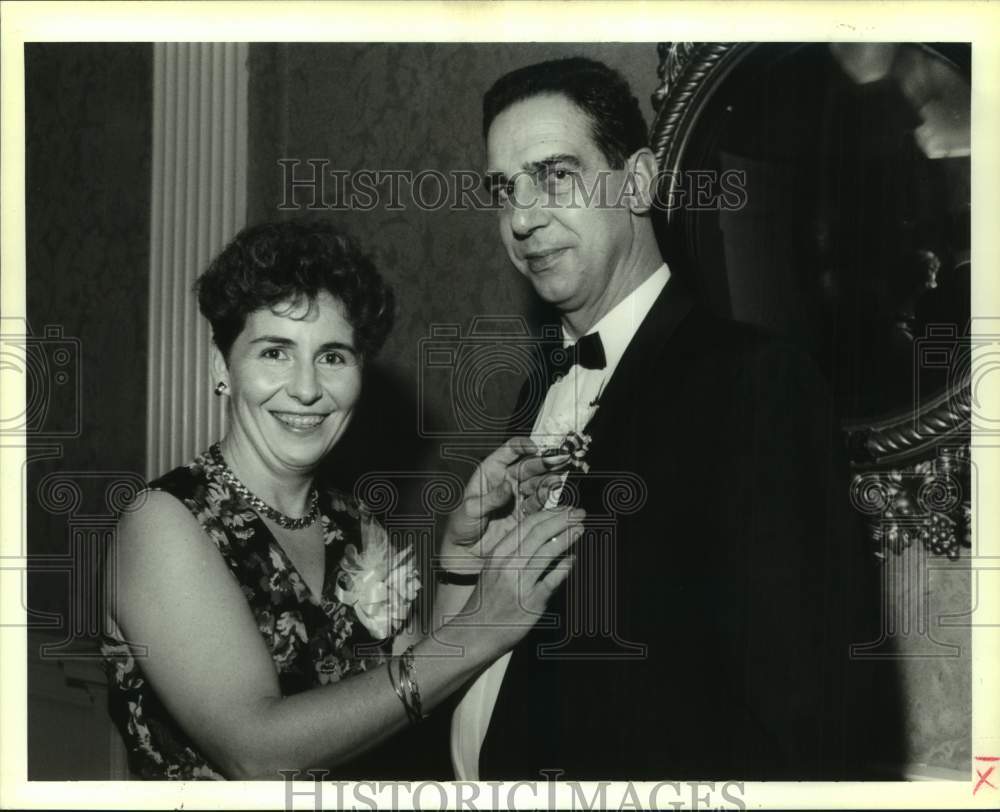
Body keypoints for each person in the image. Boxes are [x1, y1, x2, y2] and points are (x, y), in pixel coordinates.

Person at [449, 57, 868, 780]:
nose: (521, 218)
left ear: (639, 181)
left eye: (556, 175)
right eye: (502, 189)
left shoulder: (756, 382)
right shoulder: (537, 389)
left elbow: (796, 714)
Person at [100, 219, 583, 780]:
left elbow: (417, 697)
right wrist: (480, 630)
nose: (306, 388)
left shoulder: (351, 524)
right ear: (220, 366)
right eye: (275, 352)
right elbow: (258, 752)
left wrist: (460, 559)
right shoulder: (163, 522)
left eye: (332, 356)